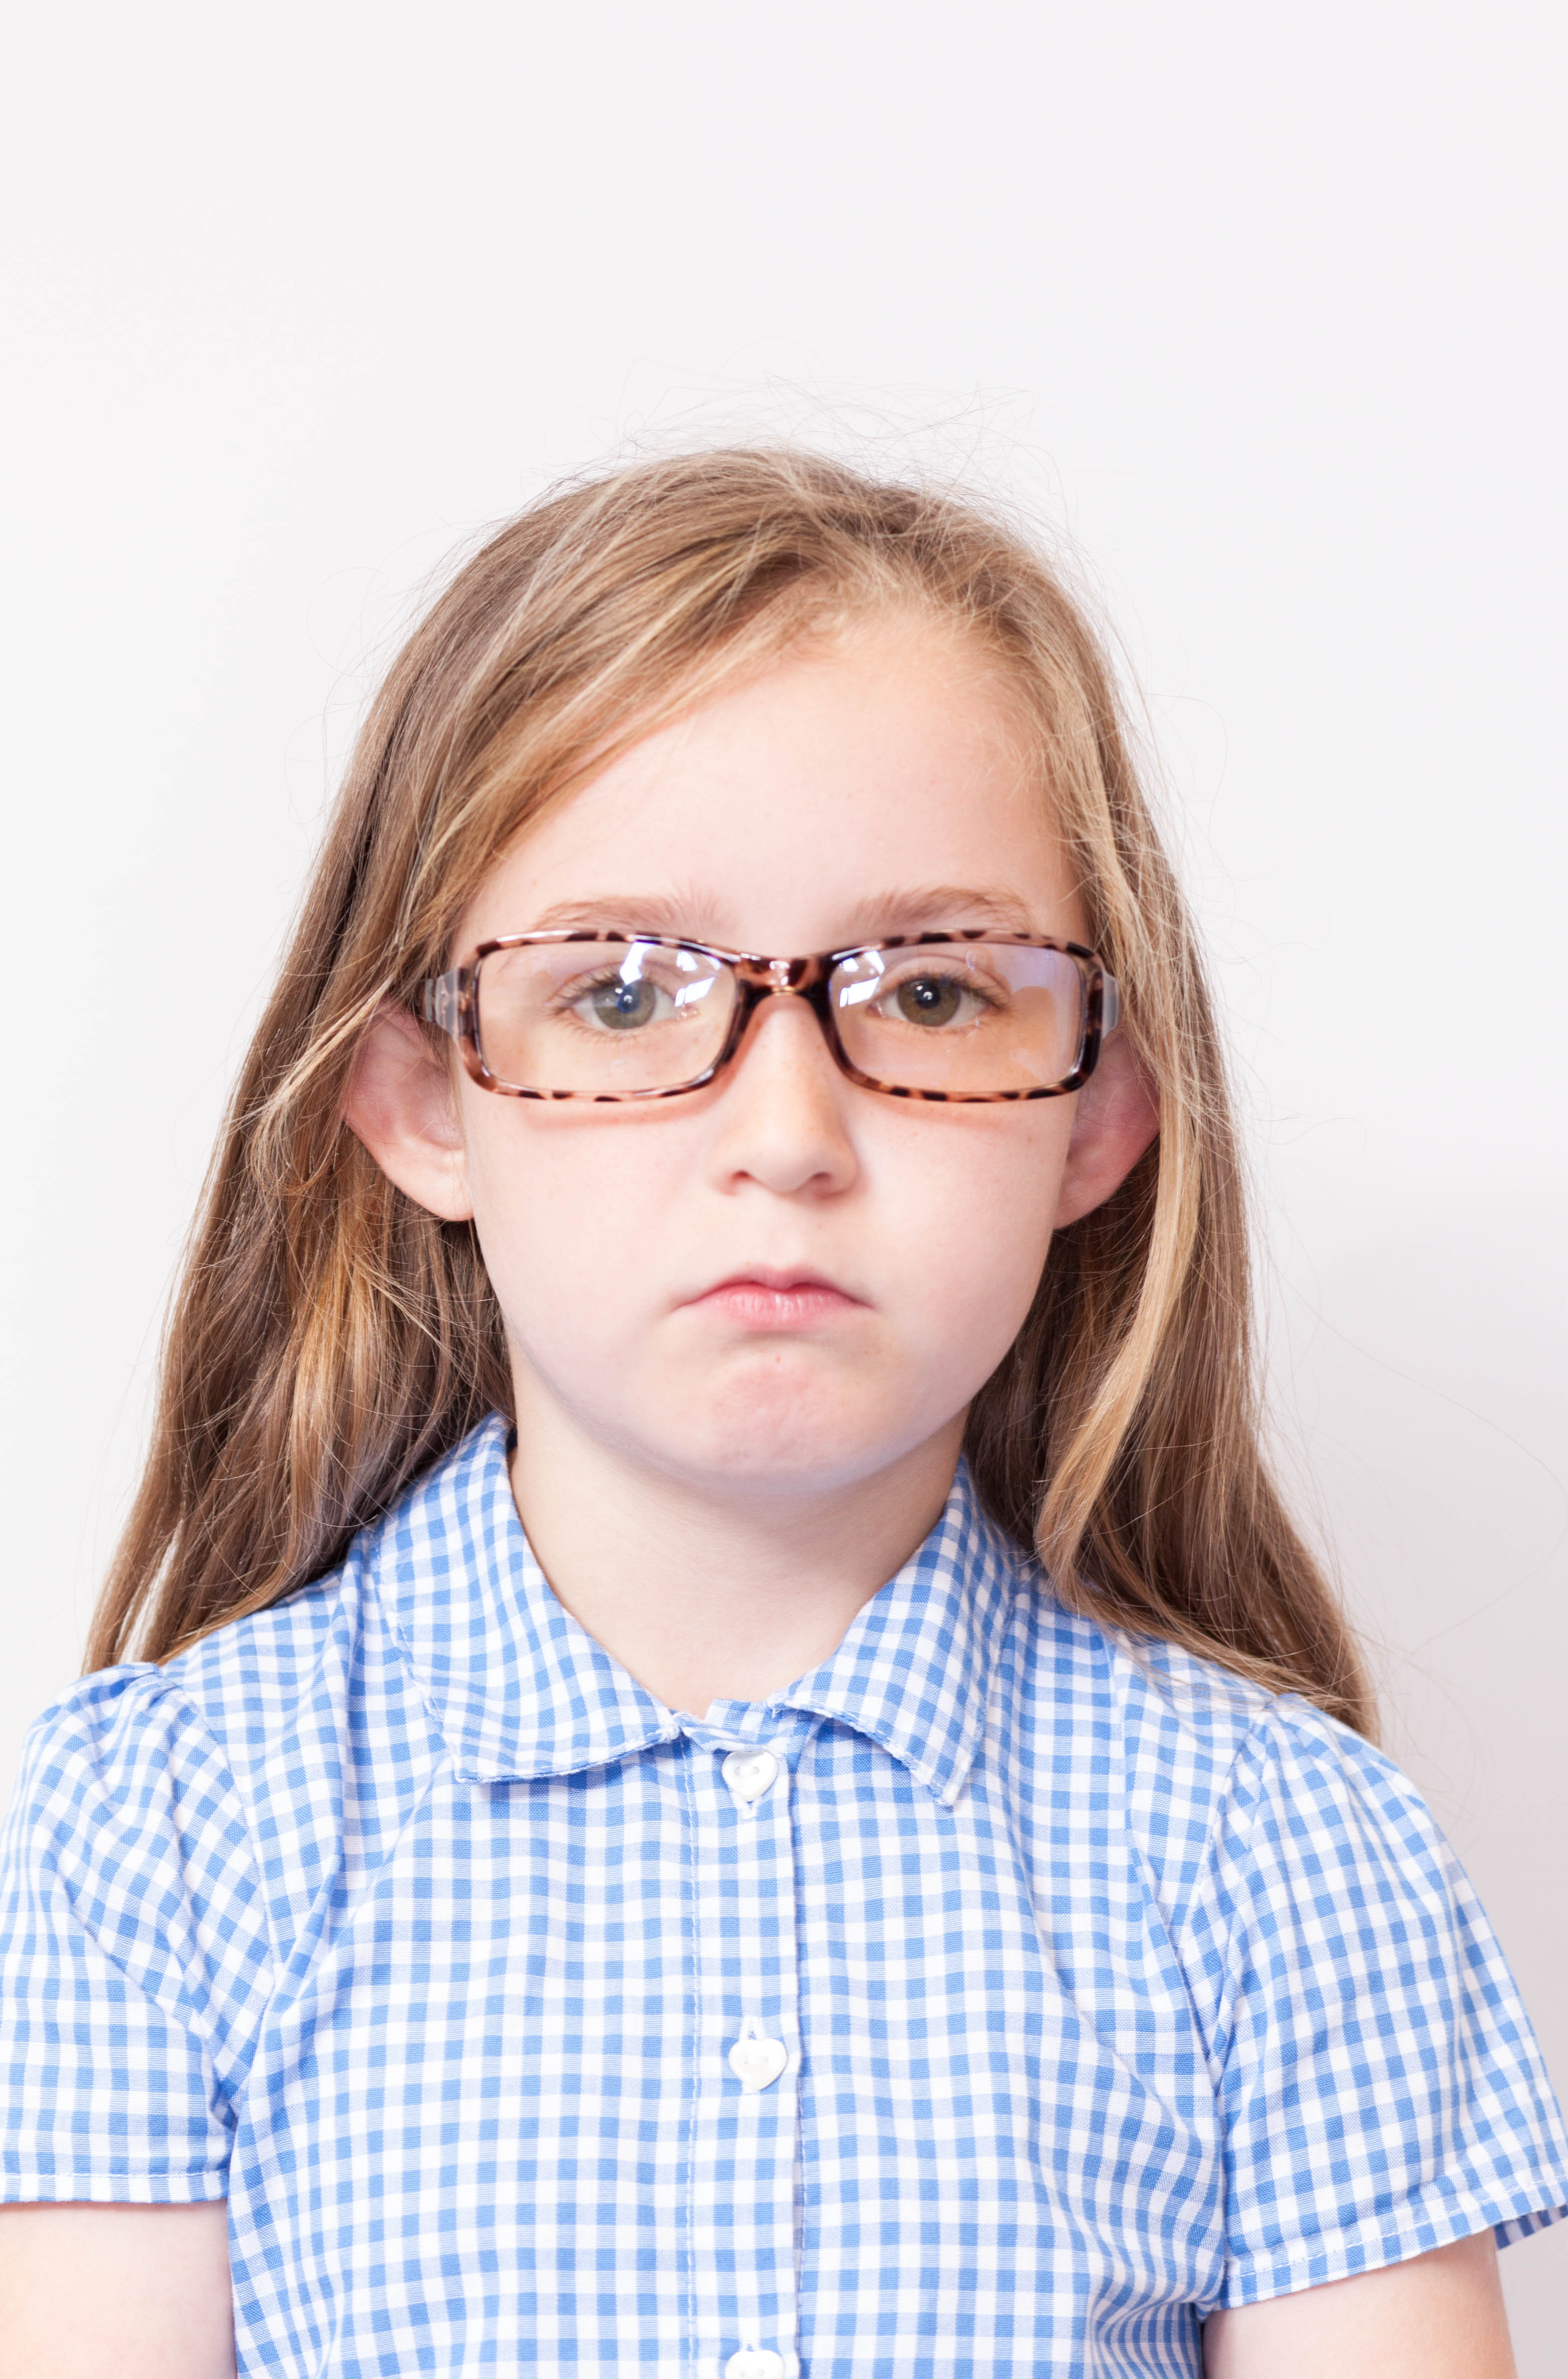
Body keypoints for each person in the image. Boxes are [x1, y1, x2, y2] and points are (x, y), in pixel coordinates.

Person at [0, 451, 1562, 2379]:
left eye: (925, 995)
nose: (786, 1138)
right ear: (420, 1097)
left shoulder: (1283, 1853)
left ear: (1095, 1113)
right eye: (626, 990)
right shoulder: (158, 1832)